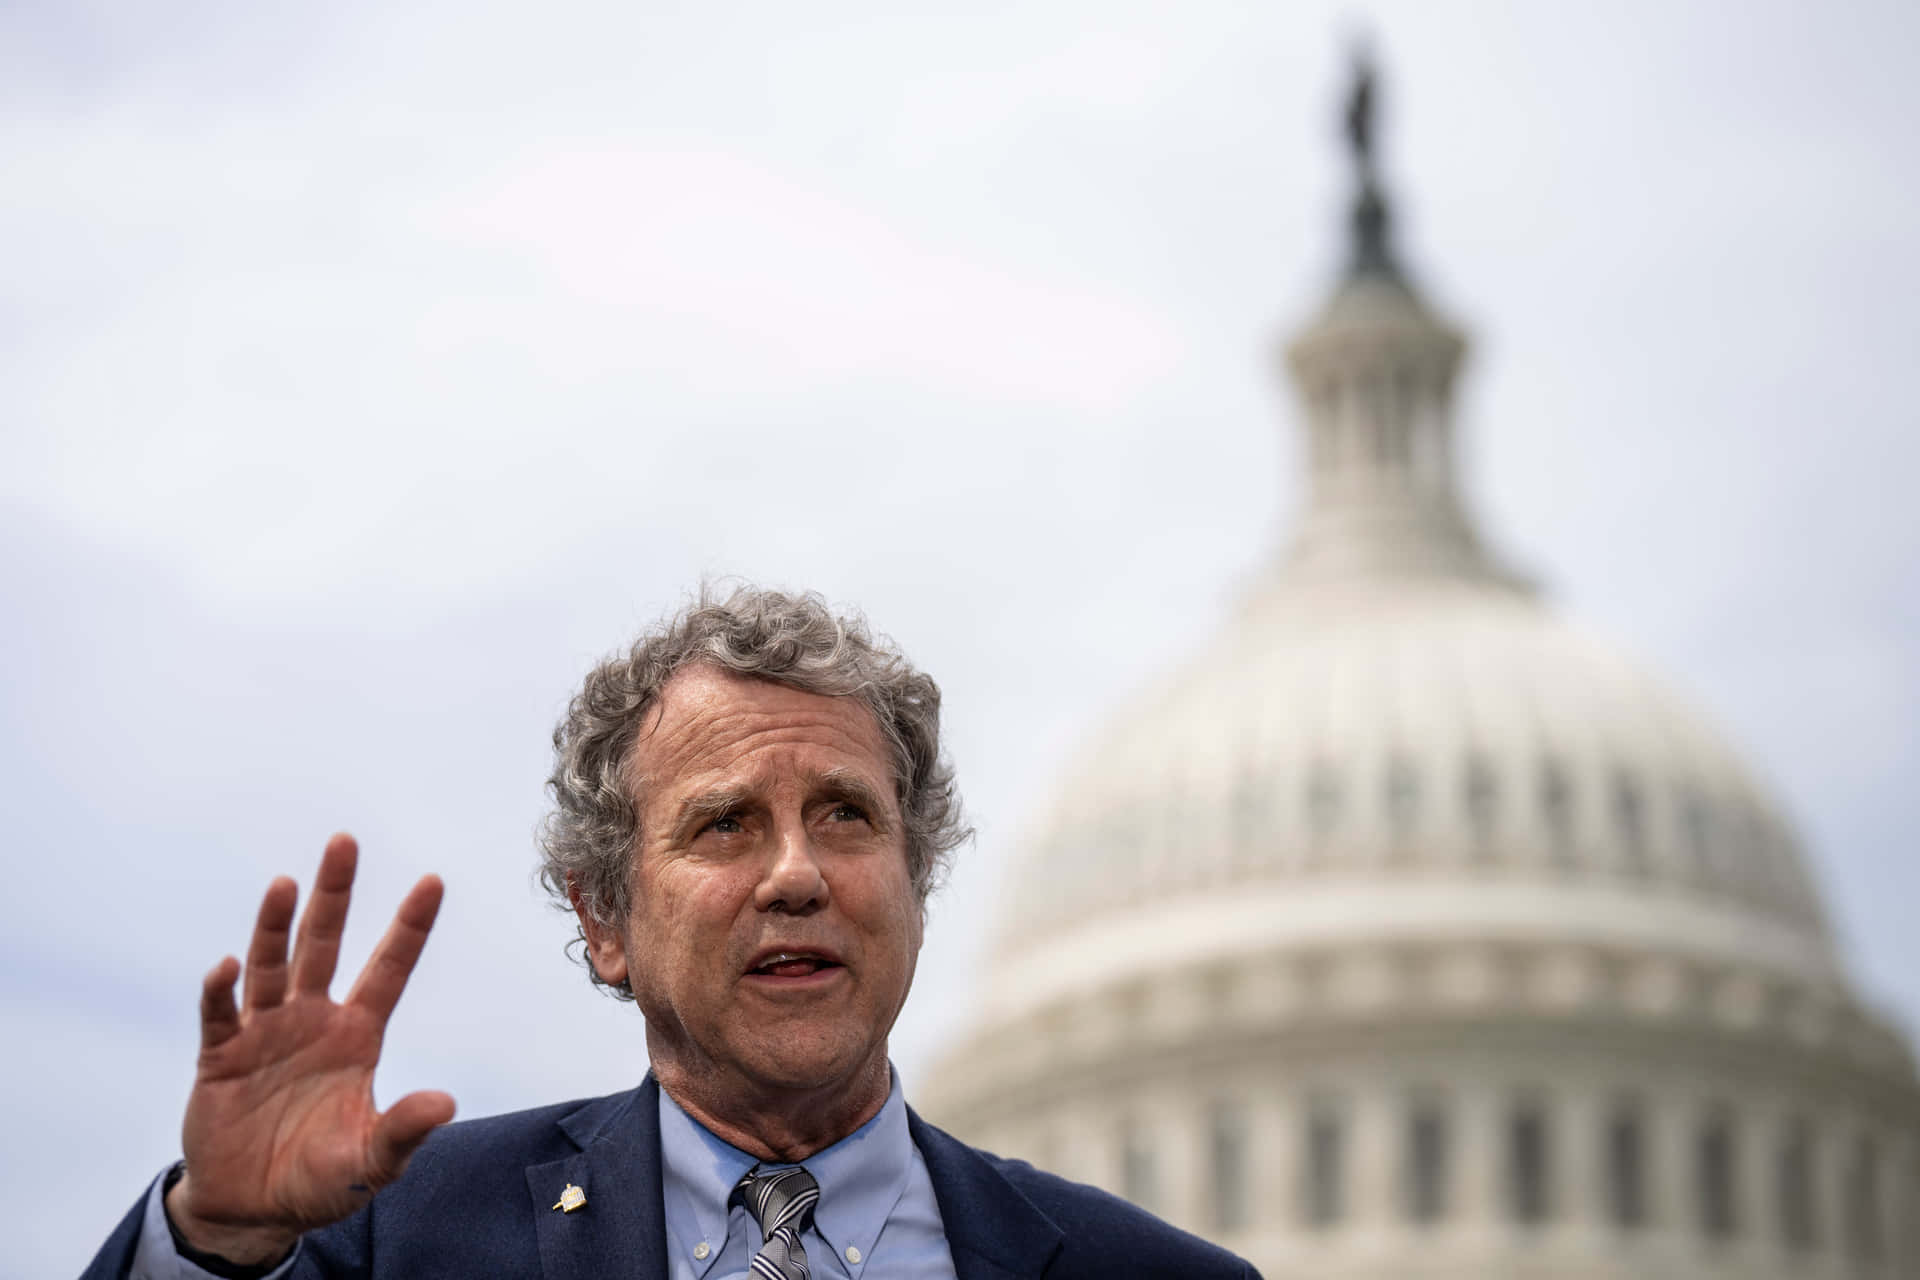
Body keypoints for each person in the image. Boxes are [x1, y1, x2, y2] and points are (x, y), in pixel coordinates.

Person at [85, 587, 1260, 1279]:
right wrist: (219, 1239)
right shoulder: (391, 1239)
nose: (796, 873)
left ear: (914, 878)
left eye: (845, 815)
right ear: (606, 919)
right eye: (725, 824)